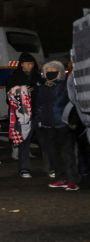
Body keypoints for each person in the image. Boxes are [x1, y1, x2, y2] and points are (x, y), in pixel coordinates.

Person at [37, 60, 80, 190]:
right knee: (53, 153)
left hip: (63, 123)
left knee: (67, 153)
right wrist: (40, 119)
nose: (50, 73)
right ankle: (61, 178)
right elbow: (39, 104)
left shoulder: (66, 85)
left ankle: (73, 180)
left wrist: (71, 120)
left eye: (53, 71)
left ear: (59, 72)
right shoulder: (44, 87)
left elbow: (72, 102)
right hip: (47, 125)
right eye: (47, 71)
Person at [5, 52, 47, 178]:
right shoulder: (14, 78)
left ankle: (50, 167)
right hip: (23, 115)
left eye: (32, 63)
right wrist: (22, 90)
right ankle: (24, 169)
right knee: (24, 143)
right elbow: (9, 97)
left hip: (38, 113)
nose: (31, 66)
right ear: (21, 64)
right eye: (28, 63)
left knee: (44, 142)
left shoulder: (38, 78)